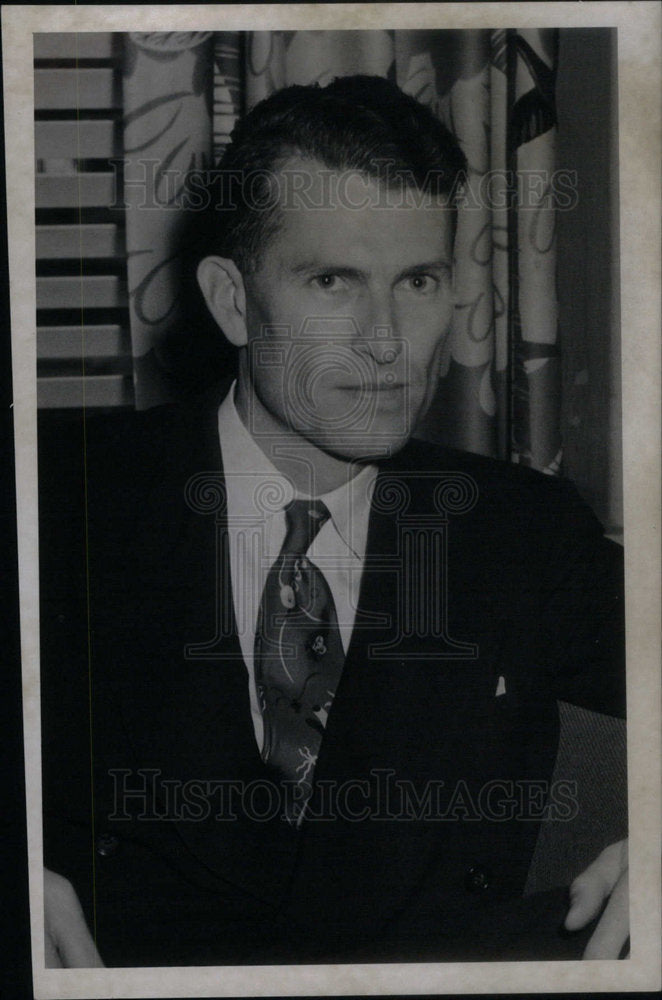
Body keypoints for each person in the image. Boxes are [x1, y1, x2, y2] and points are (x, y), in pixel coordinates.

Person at [40, 75, 627, 968]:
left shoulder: (522, 531)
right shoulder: (65, 500)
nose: (388, 340)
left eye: (420, 280)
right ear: (233, 302)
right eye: (332, 281)